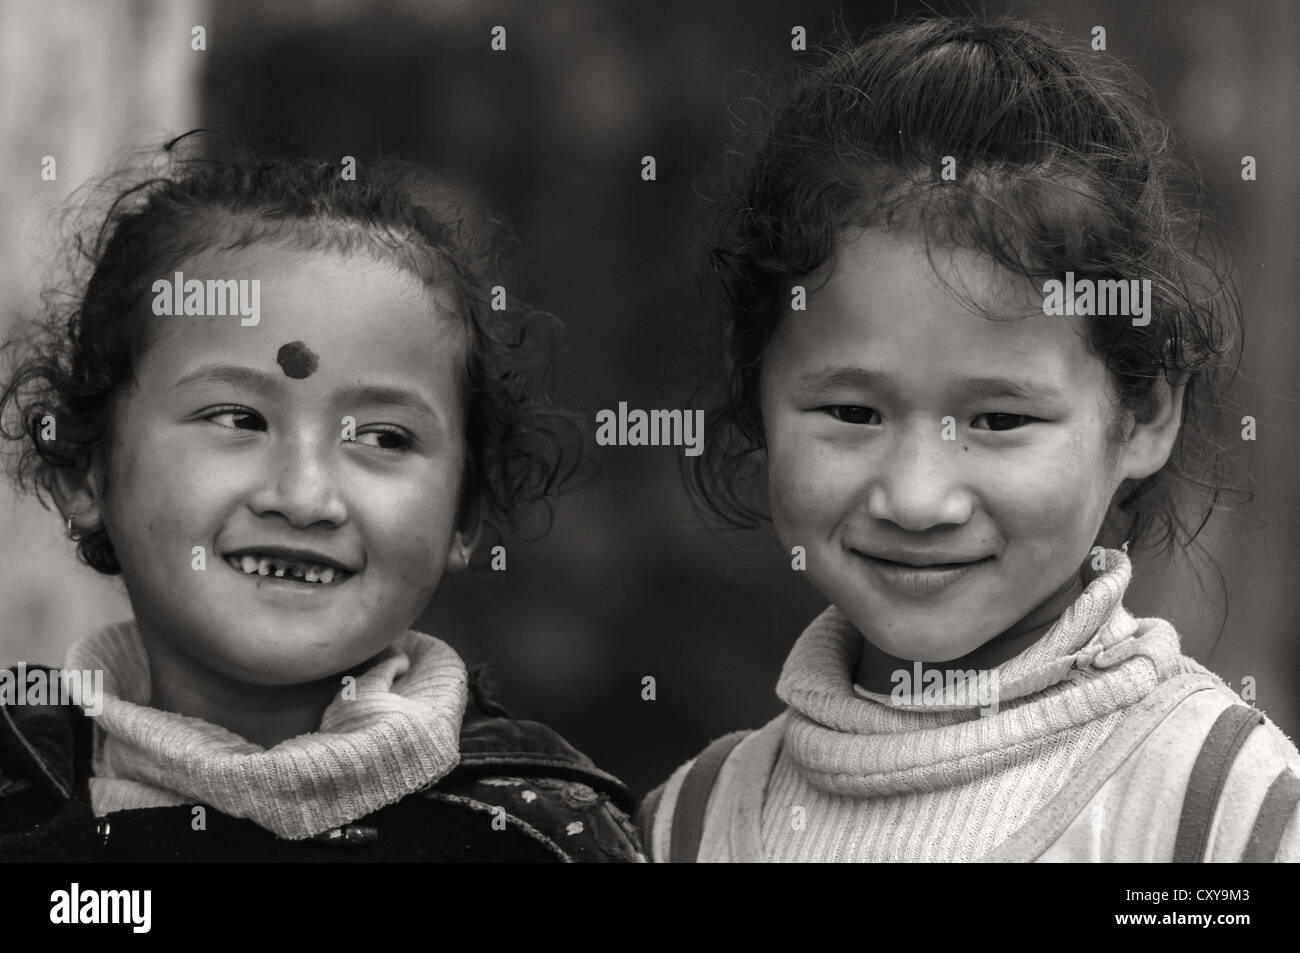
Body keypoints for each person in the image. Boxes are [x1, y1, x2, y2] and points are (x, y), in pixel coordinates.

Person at [640, 16, 1300, 862]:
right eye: (852, 413)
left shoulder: (1212, 813)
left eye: (999, 420)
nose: (918, 497)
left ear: (1142, 418)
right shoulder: (691, 823)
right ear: (756, 396)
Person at [0, 134, 641, 862]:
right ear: (86, 473)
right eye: (238, 418)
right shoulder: (20, 799)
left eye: (383, 437)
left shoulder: (535, 836)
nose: (304, 497)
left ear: (465, 512)